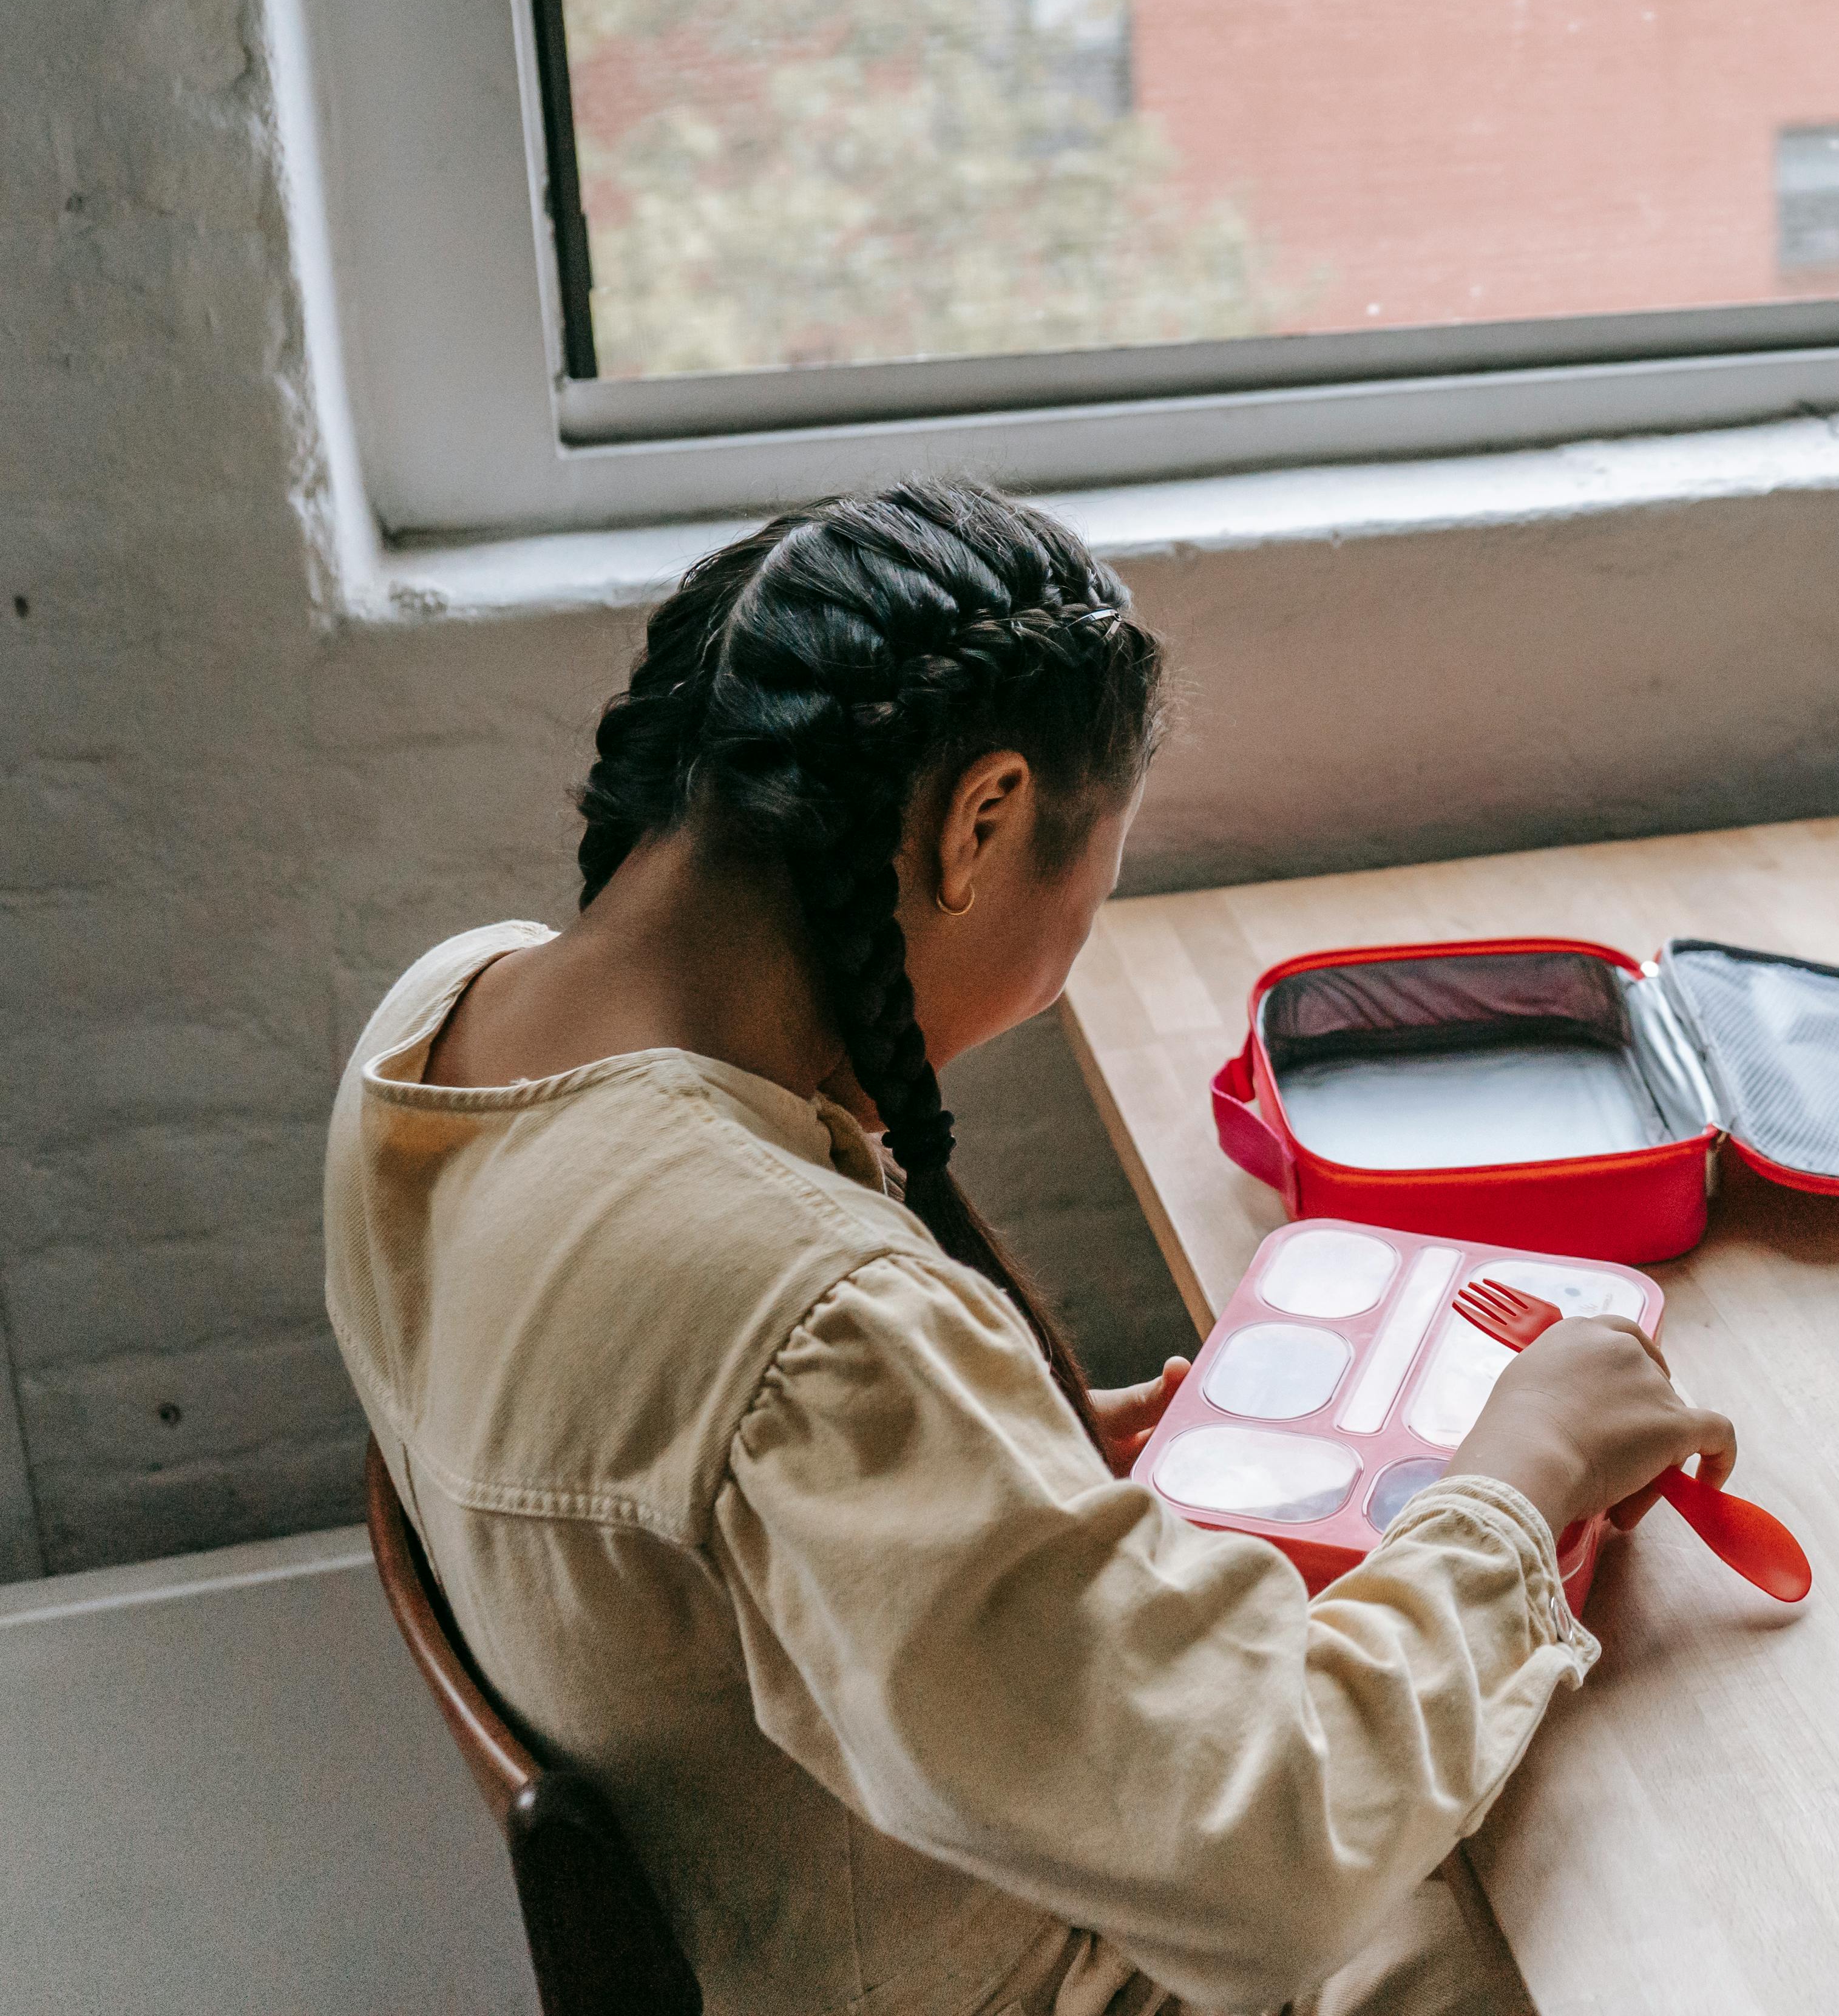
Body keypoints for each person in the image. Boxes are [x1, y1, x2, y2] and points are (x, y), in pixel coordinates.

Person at [325, 481, 1734, 2014]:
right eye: (1093, 895)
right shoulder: (820, 1329)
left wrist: (985, 1476)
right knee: (1623, 1882)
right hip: (1040, 1962)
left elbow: (685, 1506)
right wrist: (1520, 1479)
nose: (1068, 962)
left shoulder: (439, 1024)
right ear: (980, 820)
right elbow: (1270, 1850)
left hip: (821, 1882)